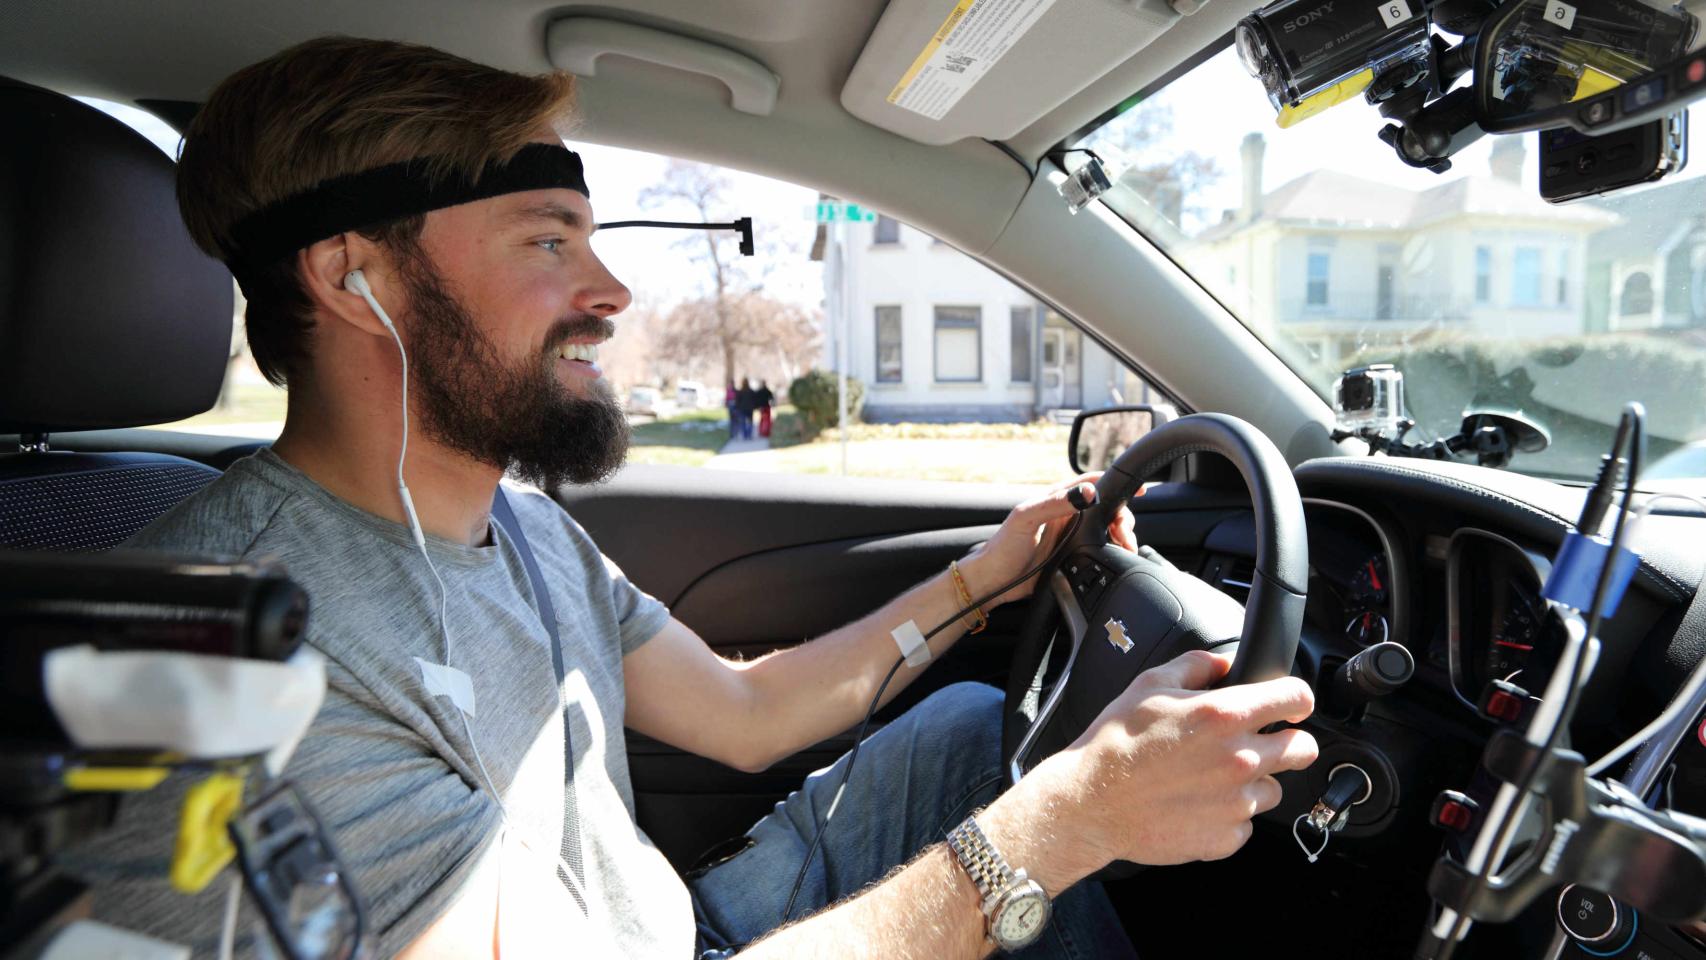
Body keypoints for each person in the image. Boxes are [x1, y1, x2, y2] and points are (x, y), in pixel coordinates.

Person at [72, 37, 1318, 959]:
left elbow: (744, 712)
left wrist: (987, 574)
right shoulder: (229, 663)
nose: (610, 288)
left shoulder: (522, 524)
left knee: (965, 728)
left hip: (669, 926)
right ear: (355, 279)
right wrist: (1063, 825)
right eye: (547, 239)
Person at [735, 376, 757, 441]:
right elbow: (754, 400)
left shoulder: (740, 391)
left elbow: (737, 401)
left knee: (743, 423)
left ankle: (745, 435)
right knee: (750, 422)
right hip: (749, 409)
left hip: (743, 409)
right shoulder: (750, 391)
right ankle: (749, 434)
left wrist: (737, 408)